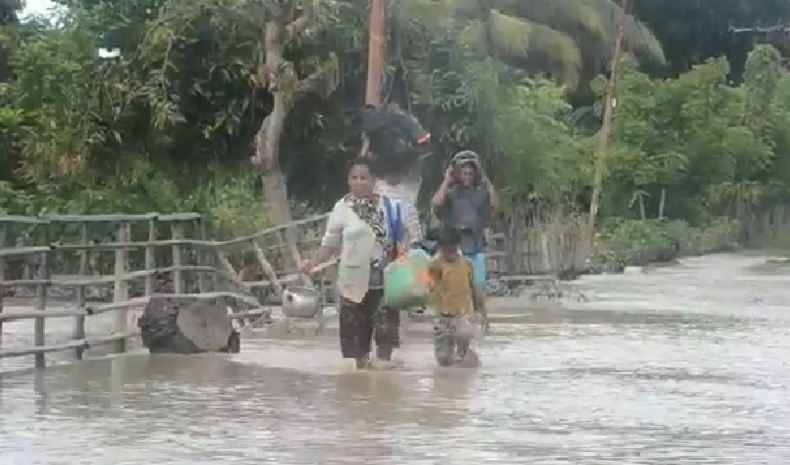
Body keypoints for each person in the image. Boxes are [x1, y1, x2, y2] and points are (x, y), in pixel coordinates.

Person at [301, 157, 407, 369]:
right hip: (353, 280)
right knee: (357, 336)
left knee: (385, 330)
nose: (359, 182)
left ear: (374, 180)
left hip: (385, 279)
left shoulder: (390, 207)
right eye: (354, 178)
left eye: (364, 178)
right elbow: (330, 243)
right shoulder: (342, 208)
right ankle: (362, 374)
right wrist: (312, 262)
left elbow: (401, 240)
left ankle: (384, 372)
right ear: (348, 180)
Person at [430, 151, 499, 328]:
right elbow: (436, 204)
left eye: (470, 173)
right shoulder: (451, 194)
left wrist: (486, 178)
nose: (467, 176)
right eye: (464, 173)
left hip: (475, 245)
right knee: (454, 287)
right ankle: (449, 321)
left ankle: (483, 321)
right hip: (455, 248)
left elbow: (495, 205)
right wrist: (446, 180)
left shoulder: (480, 193)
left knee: (479, 287)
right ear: (457, 174)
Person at [427, 228, 487, 367]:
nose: (450, 255)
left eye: (453, 251)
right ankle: (451, 370)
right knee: (443, 358)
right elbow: (424, 283)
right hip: (443, 315)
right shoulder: (434, 265)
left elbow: (475, 290)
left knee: (463, 341)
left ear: (458, 247)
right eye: (446, 252)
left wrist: (484, 314)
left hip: (463, 313)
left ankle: (466, 360)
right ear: (440, 249)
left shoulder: (466, 264)